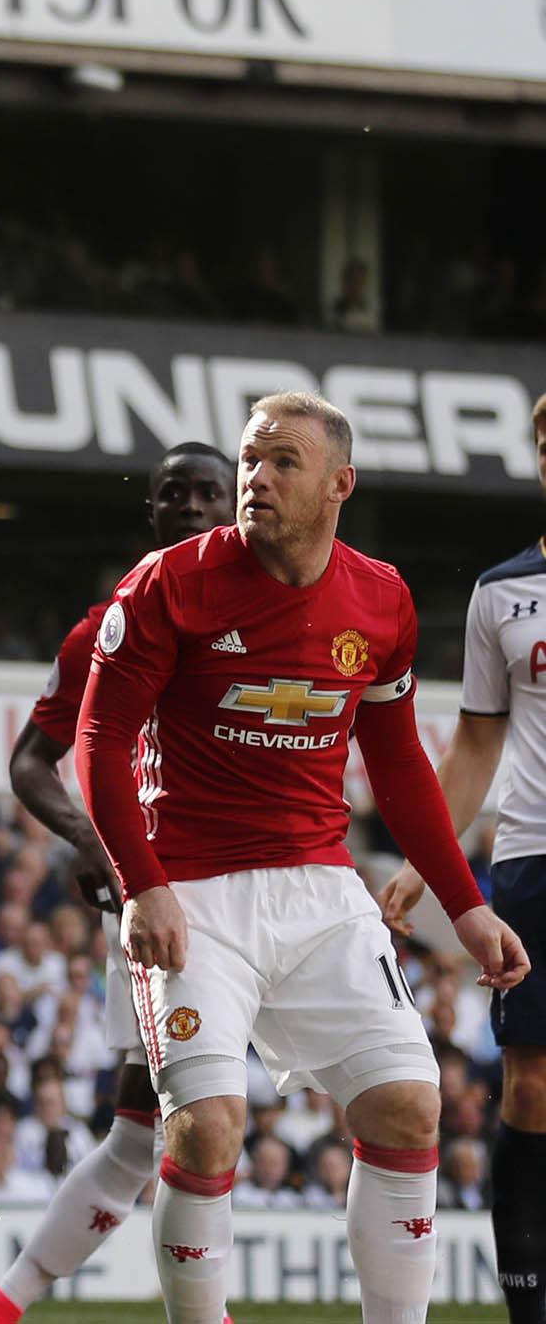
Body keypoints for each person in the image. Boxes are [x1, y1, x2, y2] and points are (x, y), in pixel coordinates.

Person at [79, 391, 528, 1324]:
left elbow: (398, 764)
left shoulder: (382, 598)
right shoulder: (168, 583)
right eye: (251, 458)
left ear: (339, 485)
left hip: (322, 887)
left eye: (284, 461)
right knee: (208, 1126)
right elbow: (100, 741)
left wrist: (467, 904)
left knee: (410, 1103)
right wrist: (142, 885)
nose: (257, 477)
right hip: (192, 892)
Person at [0, 442, 232, 1324]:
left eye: (209, 493)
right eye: (174, 493)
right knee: (170, 1124)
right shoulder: (107, 626)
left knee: (151, 1134)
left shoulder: (284, 611)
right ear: (151, 510)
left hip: (273, 889)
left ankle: (1, 1306)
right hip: (163, 900)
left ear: (237, 507)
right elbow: (31, 761)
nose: (191, 507)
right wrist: (86, 835)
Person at [379, 389, 546, 1324]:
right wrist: (424, 861)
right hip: (533, 856)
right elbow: (476, 745)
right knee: (532, 1084)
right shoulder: (502, 591)